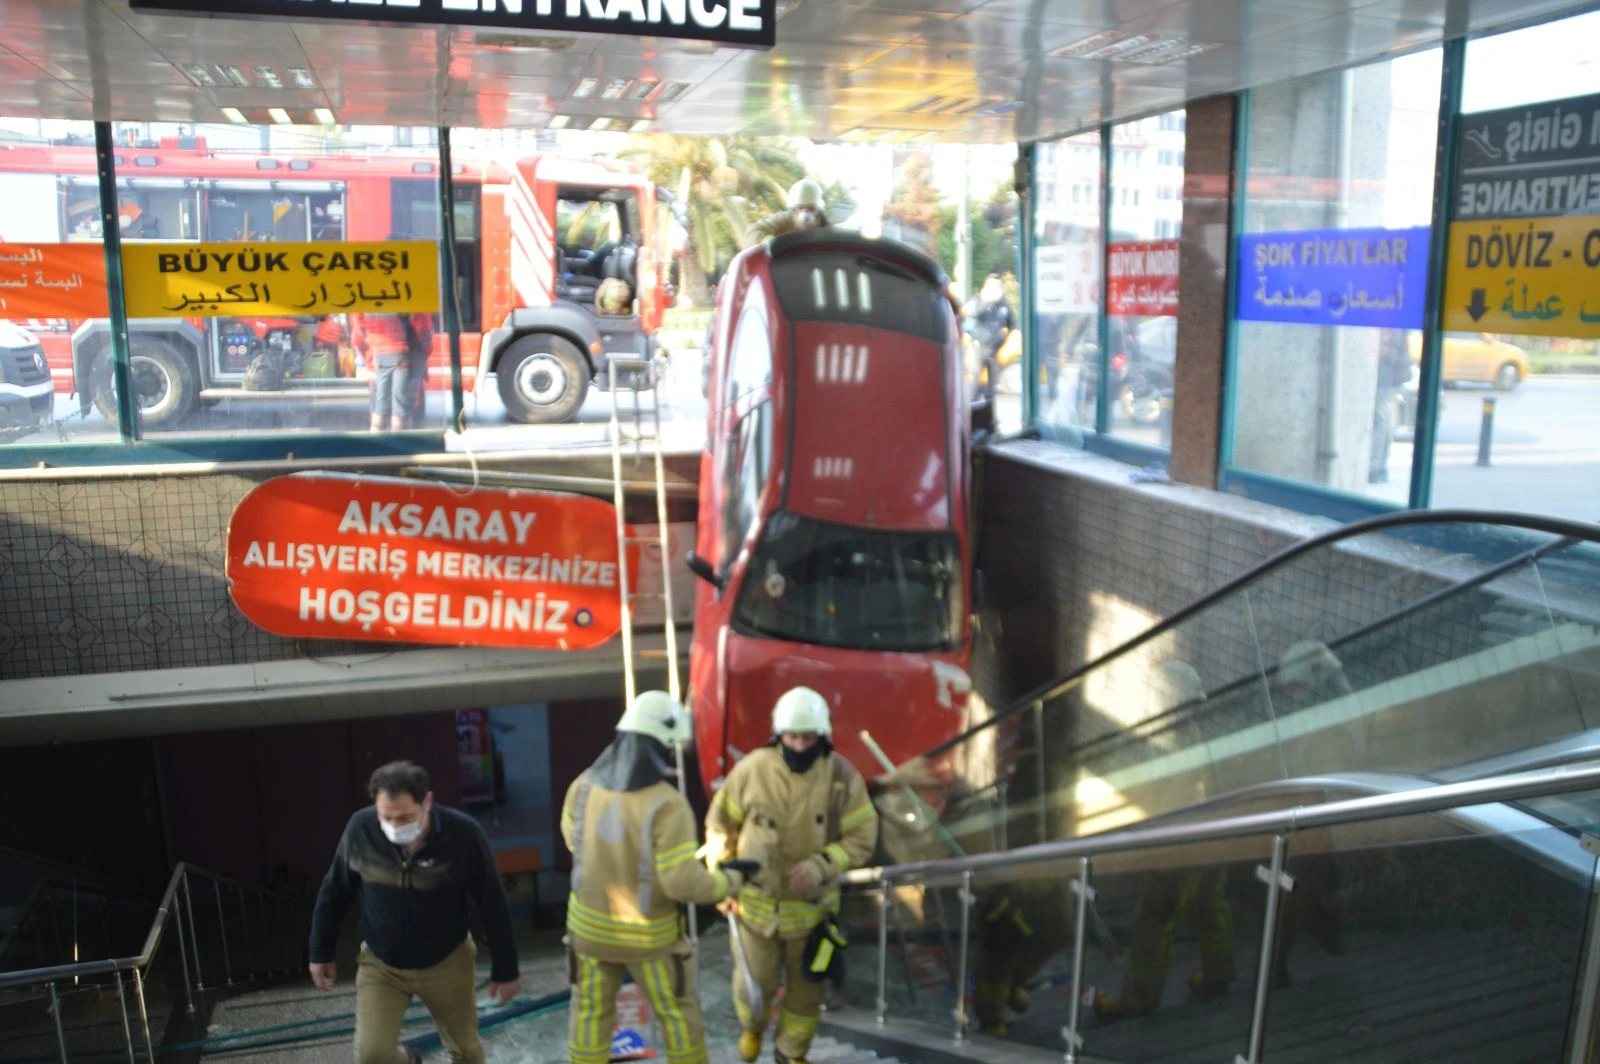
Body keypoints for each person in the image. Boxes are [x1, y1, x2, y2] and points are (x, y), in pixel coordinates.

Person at [562, 691, 753, 1064]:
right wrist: (728, 882)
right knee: (678, 1016)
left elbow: (574, 841)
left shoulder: (582, 786)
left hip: (587, 933)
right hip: (649, 940)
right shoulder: (667, 804)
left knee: (589, 1016)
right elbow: (681, 882)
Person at [705, 687, 879, 1064]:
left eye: (807, 738)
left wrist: (822, 864)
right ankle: (752, 1027)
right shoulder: (752, 770)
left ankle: (791, 1053)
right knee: (754, 985)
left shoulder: (841, 777)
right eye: (792, 737)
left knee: (807, 993)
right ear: (778, 734)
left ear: (822, 736)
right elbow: (720, 827)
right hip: (754, 909)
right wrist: (722, 882)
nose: (799, 746)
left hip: (813, 913)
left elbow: (863, 836)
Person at [308, 761, 520, 1064]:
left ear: (427, 802)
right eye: (386, 817)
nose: (395, 826)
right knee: (372, 1056)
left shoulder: (462, 834)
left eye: (405, 817)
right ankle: (409, 1059)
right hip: (382, 966)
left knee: (466, 1052)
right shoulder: (360, 829)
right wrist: (320, 951)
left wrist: (506, 968)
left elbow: (492, 901)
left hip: (447, 963)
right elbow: (334, 890)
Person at [964, 274, 1017, 403]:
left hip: (995, 349)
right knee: (975, 383)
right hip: (979, 348)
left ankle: (989, 408)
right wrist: (985, 302)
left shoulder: (1003, 304)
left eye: (998, 286)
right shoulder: (978, 300)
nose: (996, 288)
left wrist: (1004, 338)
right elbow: (970, 318)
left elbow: (1012, 323)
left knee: (992, 385)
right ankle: (972, 407)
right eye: (993, 285)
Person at [1370, 329, 1412, 484]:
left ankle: (1374, 467)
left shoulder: (1388, 324)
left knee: (1381, 422)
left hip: (1386, 375)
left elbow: (1385, 349)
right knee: (1385, 423)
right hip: (1392, 375)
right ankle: (1380, 467)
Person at [743, 179, 830, 247]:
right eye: (801, 208)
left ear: (818, 208)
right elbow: (753, 231)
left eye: (811, 208)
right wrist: (766, 240)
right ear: (794, 208)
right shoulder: (784, 220)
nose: (806, 212)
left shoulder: (826, 225)